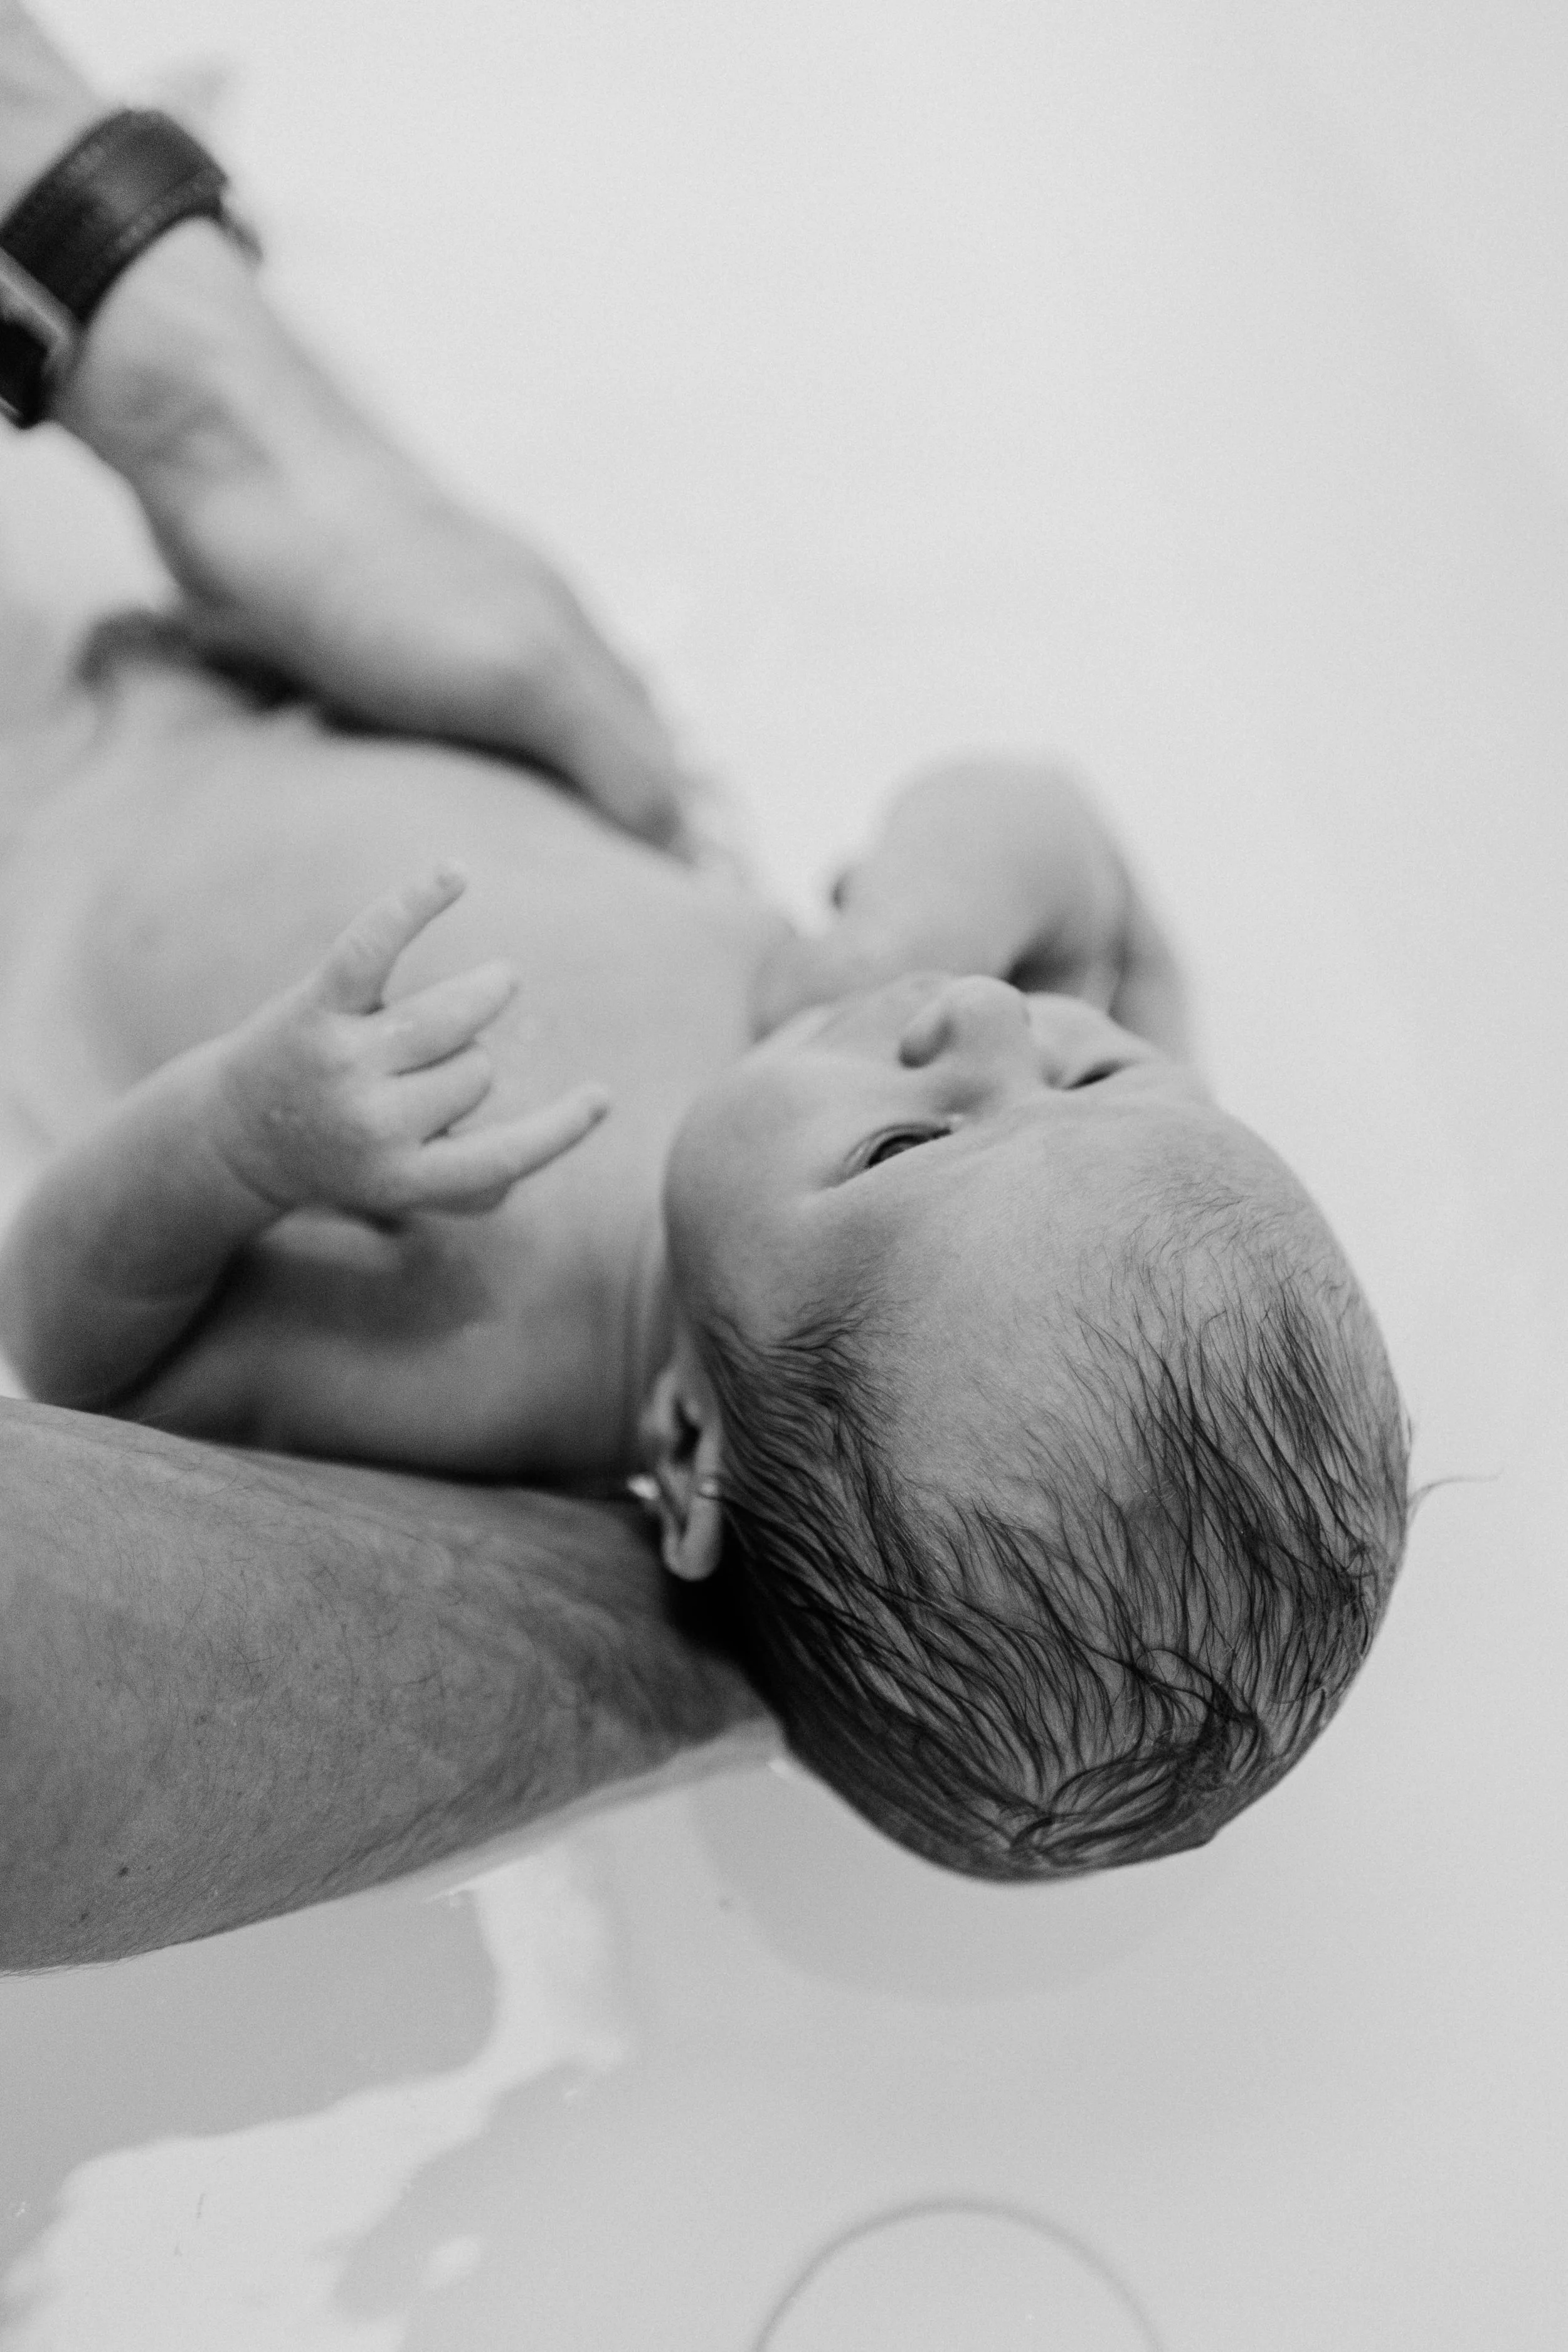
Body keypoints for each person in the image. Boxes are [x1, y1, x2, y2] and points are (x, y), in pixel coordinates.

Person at [1, 9, 1409, 1922]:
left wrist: (246, 1138)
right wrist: (962, 867)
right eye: (1094, 1072)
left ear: (686, 1441)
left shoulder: (464, 1357)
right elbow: (1035, 812)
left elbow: (72, 1342)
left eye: (906, 1151)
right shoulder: (865, 1044)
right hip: (228, 640)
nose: (975, 1022)